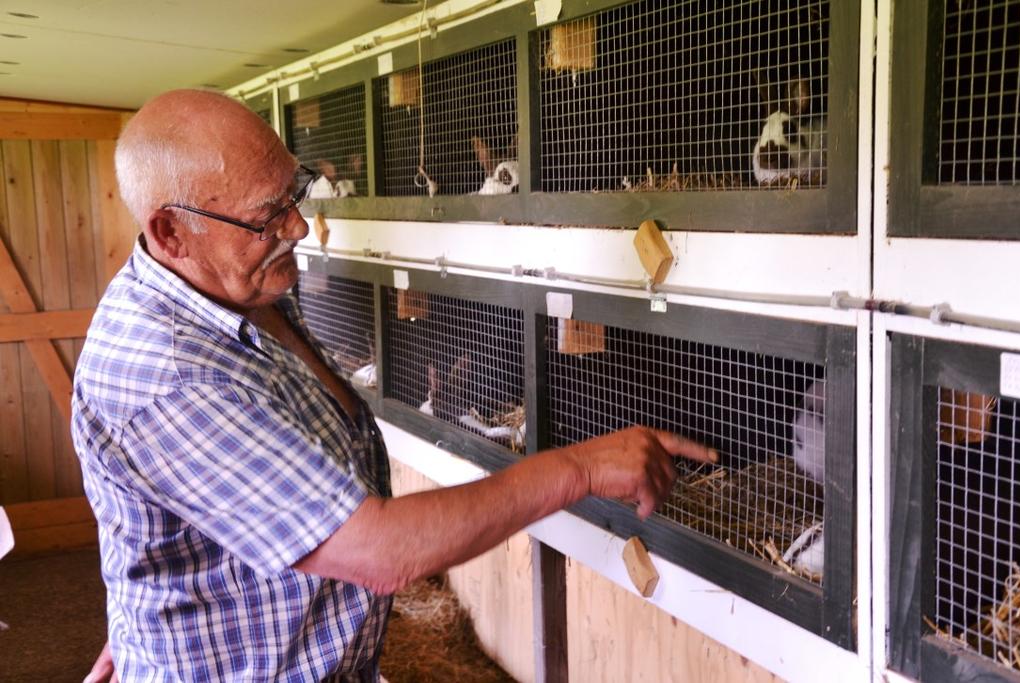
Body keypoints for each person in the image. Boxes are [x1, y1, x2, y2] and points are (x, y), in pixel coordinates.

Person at [73, 89, 716, 682]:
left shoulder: (236, 283)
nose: (296, 227)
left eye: (293, 193)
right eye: (268, 216)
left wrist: (139, 618)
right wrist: (580, 468)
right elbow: (379, 552)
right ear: (171, 233)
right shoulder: (168, 376)